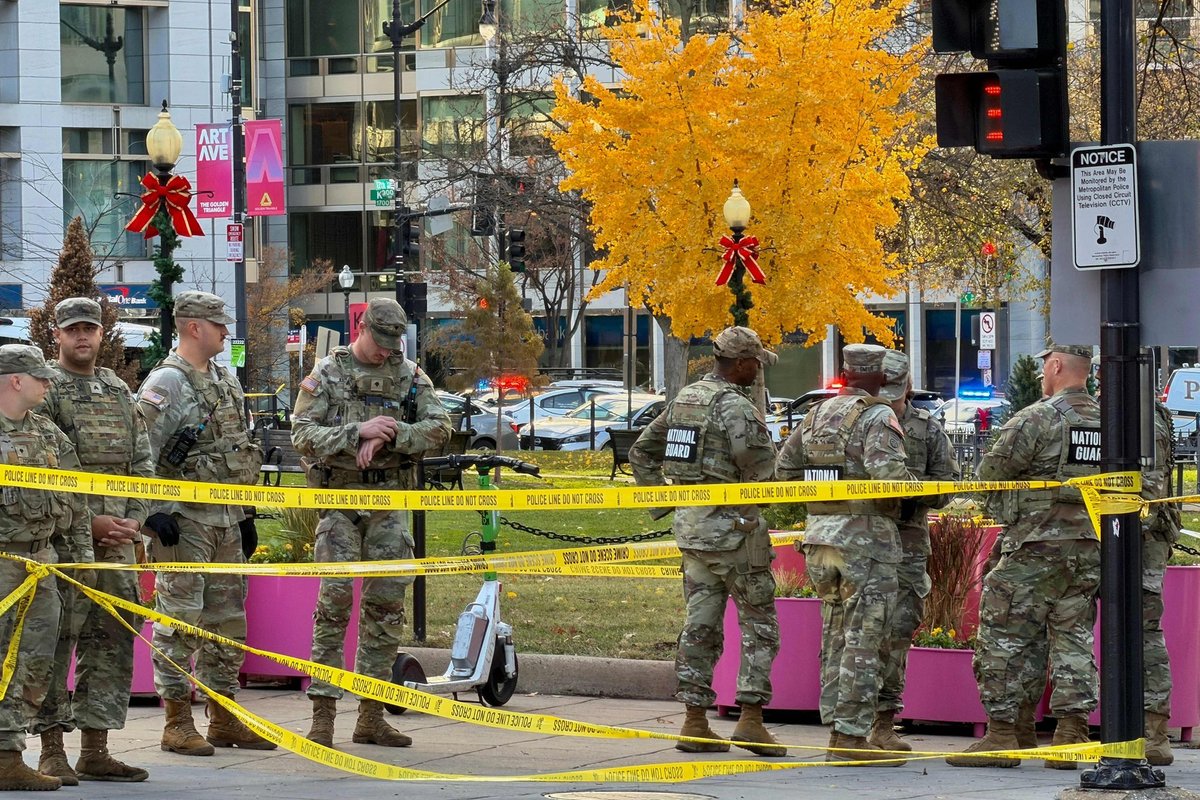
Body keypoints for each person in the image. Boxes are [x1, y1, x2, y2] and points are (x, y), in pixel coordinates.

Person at [292, 297, 451, 749]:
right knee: (334, 604)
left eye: (392, 344)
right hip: (340, 501)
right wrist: (356, 433)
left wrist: (391, 434)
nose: (385, 352)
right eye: (379, 342)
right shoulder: (326, 373)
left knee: (386, 608)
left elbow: (440, 427)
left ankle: (371, 714)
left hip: (387, 503)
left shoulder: (408, 374)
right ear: (360, 328)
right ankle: (323, 715)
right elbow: (302, 434)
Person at [629, 326, 783, 757]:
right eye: (755, 362)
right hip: (737, 536)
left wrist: (664, 502)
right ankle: (751, 720)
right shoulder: (737, 407)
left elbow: (642, 452)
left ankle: (695, 721)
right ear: (739, 363)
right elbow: (762, 469)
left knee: (699, 627)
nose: (758, 370)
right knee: (760, 626)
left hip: (692, 532)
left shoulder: (685, 399)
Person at [947, 343, 1100, 769]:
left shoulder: (1038, 417)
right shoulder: (1112, 420)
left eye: (1043, 368)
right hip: (1090, 547)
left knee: (1005, 634)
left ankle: (1003, 734)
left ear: (1055, 366)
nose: (1040, 377)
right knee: (1073, 636)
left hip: (1035, 546)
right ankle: (1071, 732)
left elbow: (990, 475)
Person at [135, 291, 271, 756]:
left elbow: (237, 448)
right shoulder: (166, 384)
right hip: (184, 523)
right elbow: (140, 451)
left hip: (227, 520)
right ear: (195, 327)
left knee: (227, 620)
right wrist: (150, 512)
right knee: (179, 620)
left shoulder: (224, 381)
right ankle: (176, 720)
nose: (226, 332)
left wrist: (245, 513)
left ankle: (224, 716)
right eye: (219, 325)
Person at [32, 298, 154, 784]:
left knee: (113, 639)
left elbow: (142, 461)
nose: (82, 337)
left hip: (118, 539)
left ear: (103, 334)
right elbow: (46, 469)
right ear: (56, 336)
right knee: (56, 641)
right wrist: (91, 522)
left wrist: (131, 520)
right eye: (72, 330)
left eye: (90, 328)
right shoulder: (45, 389)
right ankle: (50, 748)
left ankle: (96, 747)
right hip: (66, 540)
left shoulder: (117, 389)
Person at [776, 343, 910, 766]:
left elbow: (784, 470)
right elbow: (890, 476)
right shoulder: (877, 415)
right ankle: (851, 736)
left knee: (835, 635)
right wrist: (920, 489)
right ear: (877, 377)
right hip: (866, 541)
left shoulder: (816, 414)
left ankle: (837, 726)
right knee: (865, 638)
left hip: (821, 540)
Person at [0, 344, 93, 791]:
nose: (48, 383)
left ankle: (9, 753)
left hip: (43, 563)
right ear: (16, 380)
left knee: (36, 662)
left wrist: (81, 562)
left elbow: (75, 502)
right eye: (40, 377)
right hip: (2, 562)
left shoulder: (48, 434)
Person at [1090, 354, 1179, 765]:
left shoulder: (1144, 416)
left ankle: (1153, 729)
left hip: (1140, 536)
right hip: (1121, 533)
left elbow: (1150, 485)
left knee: (1142, 629)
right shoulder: (1133, 410)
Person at [870, 349, 959, 752]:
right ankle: (848, 722)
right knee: (857, 631)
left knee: (899, 629)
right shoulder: (858, 421)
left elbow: (948, 485)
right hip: (862, 541)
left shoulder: (926, 429)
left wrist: (914, 491)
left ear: (907, 385)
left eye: (895, 388)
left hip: (906, 542)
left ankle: (884, 722)